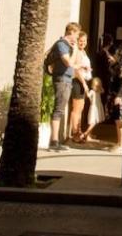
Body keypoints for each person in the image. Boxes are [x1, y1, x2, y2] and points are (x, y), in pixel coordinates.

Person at [48, 21, 79, 151]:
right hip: (62, 80)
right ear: (71, 32)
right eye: (76, 35)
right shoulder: (62, 45)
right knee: (58, 109)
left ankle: (56, 141)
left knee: (60, 109)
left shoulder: (66, 46)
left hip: (66, 79)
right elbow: (68, 63)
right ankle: (54, 142)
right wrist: (75, 50)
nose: (76, 38)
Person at [69, 30, 92, 142]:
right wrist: (83, 83)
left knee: (80, 108)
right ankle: (75, 134)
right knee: (77, 108)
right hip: (78, 82)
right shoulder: (77, 52)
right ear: (77, 41)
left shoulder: (83, 52)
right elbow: (76, 70)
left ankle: (78, 131)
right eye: (80, 41)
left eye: (84, 41)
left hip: (82, 81)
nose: (83, 43)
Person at [95, 32, 115, 115]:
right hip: (105, 77)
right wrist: (112, 65)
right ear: (110, 43)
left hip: (103, 76)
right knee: (105, 95)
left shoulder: (103, 52)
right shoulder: (104, 53)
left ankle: (103, 112)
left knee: (105, 95)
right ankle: (103, 113)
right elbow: (106, 66)